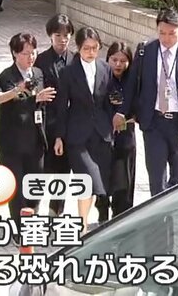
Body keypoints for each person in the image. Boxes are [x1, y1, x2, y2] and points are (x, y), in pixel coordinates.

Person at [113, 8, 178, 196]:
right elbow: (132, 85)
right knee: (157, 179)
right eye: (162, 33)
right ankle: (159, 212)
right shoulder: (145, 51)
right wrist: (122, 111)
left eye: (172, 33)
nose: (166, 38)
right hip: (153, 123)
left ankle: (175, 209)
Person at [0, 33, 56, 243]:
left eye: (33, 52)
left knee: (35, 185)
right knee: (17, 188)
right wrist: (34, 98)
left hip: (36, 138)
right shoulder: (7, 76)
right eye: (25, 53)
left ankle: (32, 222)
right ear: (14, 53)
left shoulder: (38, 73)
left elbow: (42, 104)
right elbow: (11, 104)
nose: (30, 57)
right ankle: (19, 229)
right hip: (12, 141)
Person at [53, 27, 114, 235]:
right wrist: (59, 136)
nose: (91, 52)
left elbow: (108, 101)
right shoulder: (68, 72)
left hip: (101, 133)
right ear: (78, 48)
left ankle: (85, 223)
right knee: (88, 178)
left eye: (95, 48)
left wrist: (112, 127)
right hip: (77, 135)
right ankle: (82, 226)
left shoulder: (105, 68)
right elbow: (62, 106)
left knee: (96, 182)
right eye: (86, 48)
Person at [34, 14, 75, 217]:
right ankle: (33, 210)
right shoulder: (40, 61)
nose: (62, 39)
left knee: (63, 173)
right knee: (42, 172)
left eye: (66, 35)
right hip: (46, 125)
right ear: (50, 36)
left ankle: (55, 214)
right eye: (58, 35)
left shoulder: (76, 60)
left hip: (69, 124)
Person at [95, 42, 137, 223]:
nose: (118, 64)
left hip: (125, 139)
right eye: (114, 60)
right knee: (103, 179)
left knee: (124, 183)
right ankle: (102, 215)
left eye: (123, 61)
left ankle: (121, 219)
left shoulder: (133, 82)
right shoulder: (100, 78)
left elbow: (140, 105)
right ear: (108, 59)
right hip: (103, 138)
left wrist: (131, 117)